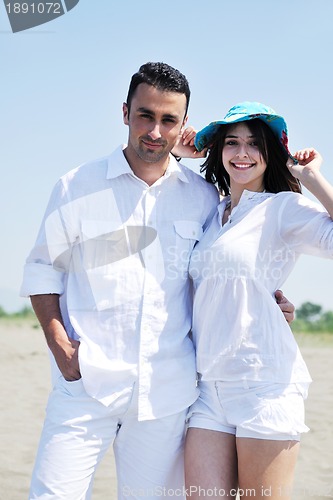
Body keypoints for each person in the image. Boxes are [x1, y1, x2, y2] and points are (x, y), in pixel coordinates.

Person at [20, 65, 294, 500]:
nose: (155, 130)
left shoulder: (203, 196)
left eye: (169, 120)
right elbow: (42, 269)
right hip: (84, 384)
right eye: (145, 115)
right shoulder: (76, 186)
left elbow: (221, 264)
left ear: (183, 125)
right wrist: (58, 344)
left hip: (165, 397)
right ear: (125, 112)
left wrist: (268, 300)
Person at [184, 102, 333, 499]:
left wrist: (312, 178)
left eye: (254, 143)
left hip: (263, 383)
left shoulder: (283, 208)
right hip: (206, 387)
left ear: (271, 151)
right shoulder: (211, 213)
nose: (243, 153)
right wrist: (184, 150)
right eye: (231, 143)